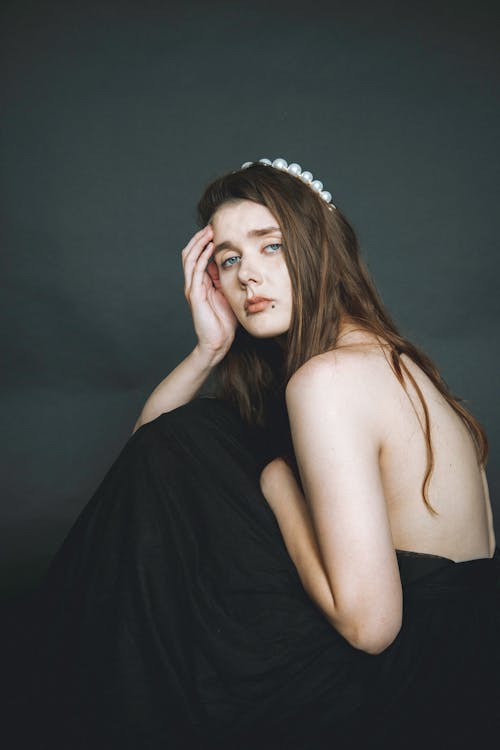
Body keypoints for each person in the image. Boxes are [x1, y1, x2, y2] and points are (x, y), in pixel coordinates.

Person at [14, 158, 499, 749]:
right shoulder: (399, 364)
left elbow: (372, 629)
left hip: (406, 685)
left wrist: (278, 487)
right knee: (199, 436)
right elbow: (152, 457)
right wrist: (209, 350)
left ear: (320, 249)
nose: (247, 277)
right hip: (467, 666)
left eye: (271, 246)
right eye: (230, 258)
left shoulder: (329, 380)